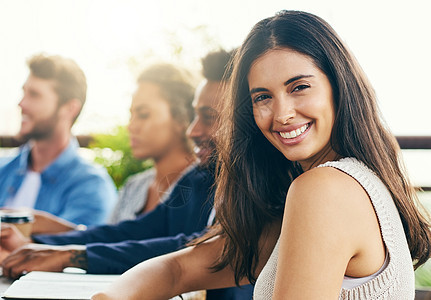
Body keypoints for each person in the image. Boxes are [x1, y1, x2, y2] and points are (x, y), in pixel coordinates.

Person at [91, 10, 431, 300]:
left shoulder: (326, 189)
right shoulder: (332, 186)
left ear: (338, 86)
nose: (281, 114)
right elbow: (178, 269)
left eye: (299, 87)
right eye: (262, 97)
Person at [1, 50, 253, 299]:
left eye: (208, 118)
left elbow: (192, 248)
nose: (193, 130)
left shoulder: (259, 195)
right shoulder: (197, 179)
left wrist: (73, 255)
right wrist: (39, 243)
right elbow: (135, 231)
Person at [30, 63, 197, 234]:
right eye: (131, 115)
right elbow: (107, 246)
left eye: (143, 115)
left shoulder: (203, 188)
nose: (131, 127)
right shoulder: (133, 187)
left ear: (181, 118)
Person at [0, 54, 117, 227]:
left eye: (34, 95)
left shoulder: (91, 186)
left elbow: (72, 250)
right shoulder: (3, 169)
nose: (21, 104)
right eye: (24, 92)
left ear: (70, 108)